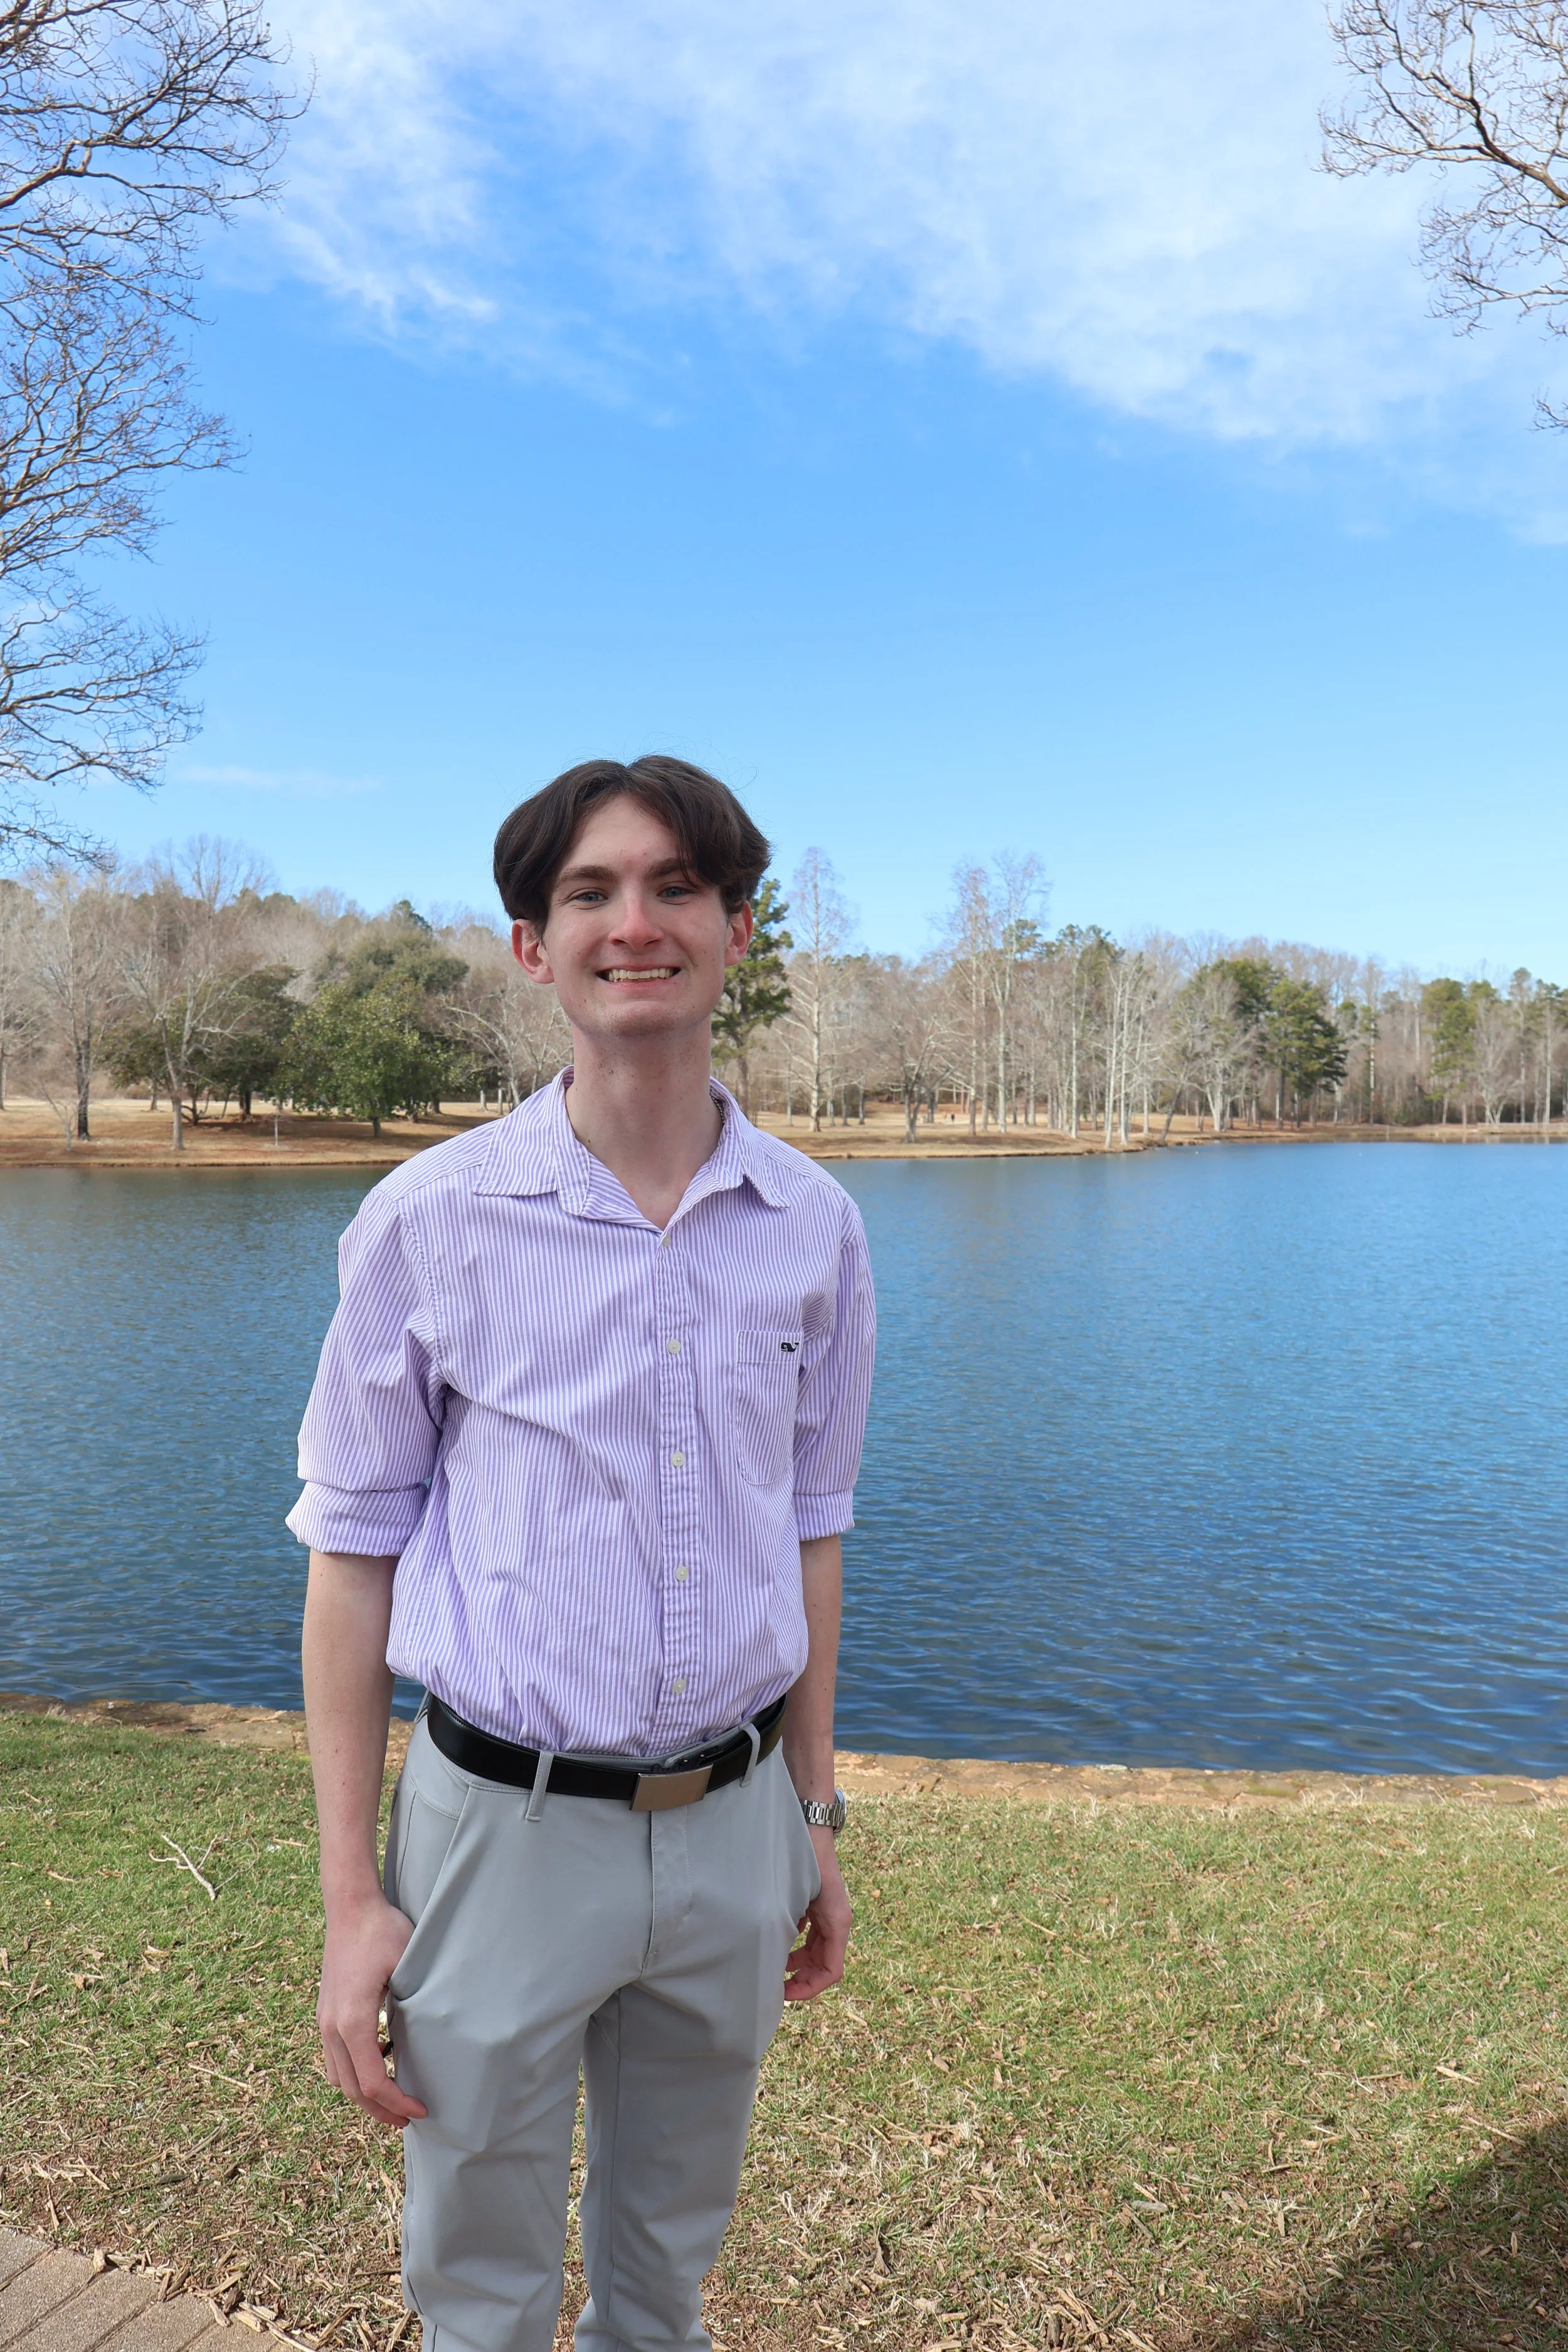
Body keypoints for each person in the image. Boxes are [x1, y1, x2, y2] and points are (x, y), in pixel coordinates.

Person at [289, 756, 876, 2352]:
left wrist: (812, 1811)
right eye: (590, 893)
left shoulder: (811, 1224)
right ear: (530, 947)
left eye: (677, 886)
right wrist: (353, 1896)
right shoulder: (429, 1219)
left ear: (737, 932)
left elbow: (809, 1531)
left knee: (665, 2266)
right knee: (475, 2275)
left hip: (736, 1821)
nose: (637, 922)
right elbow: (351, 1567)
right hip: (504, 1830)